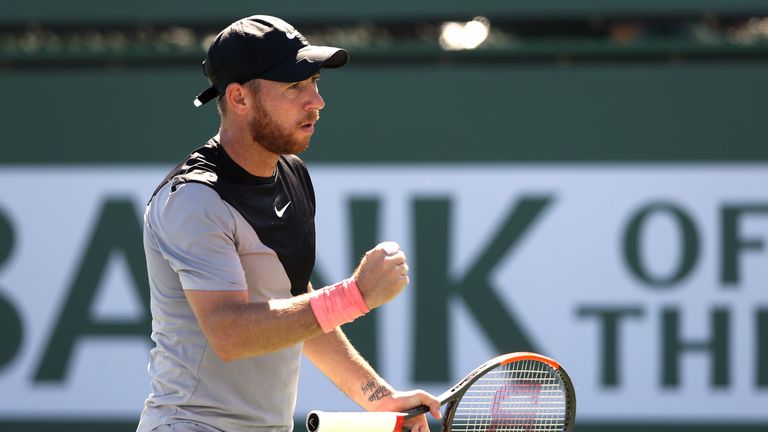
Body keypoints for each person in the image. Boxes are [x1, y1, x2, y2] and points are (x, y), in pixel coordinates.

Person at [136, 14, 441, 432]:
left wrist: (379, 398)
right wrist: (356, 295)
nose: (316, 100)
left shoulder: (292, 174)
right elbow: (230, 332)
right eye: (295, 86)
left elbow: (296, 308)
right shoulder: (193, 200)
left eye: (314, 82)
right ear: (240, 99)